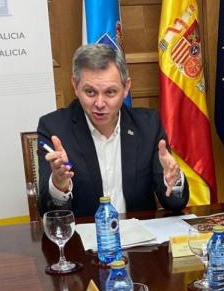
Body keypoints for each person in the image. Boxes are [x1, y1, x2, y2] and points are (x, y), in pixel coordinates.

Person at [36, 43, 189, 217]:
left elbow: (175, 203)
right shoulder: (54, 128)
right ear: (75, 85)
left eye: (110, 92)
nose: (100, 104)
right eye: (90, 92)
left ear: (126, 88)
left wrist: (174, 180)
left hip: (139, 240)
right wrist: (59, 184)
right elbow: (50, 214)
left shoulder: (148, 125)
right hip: (83, 241)